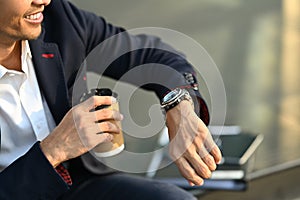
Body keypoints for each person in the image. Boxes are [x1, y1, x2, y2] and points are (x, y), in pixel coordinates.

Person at [0, 0, 222, 199]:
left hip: (81, 185)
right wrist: (54, 150)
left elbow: (153, 55)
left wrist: (178, 104)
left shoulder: (59, 19)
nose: (43, 1)